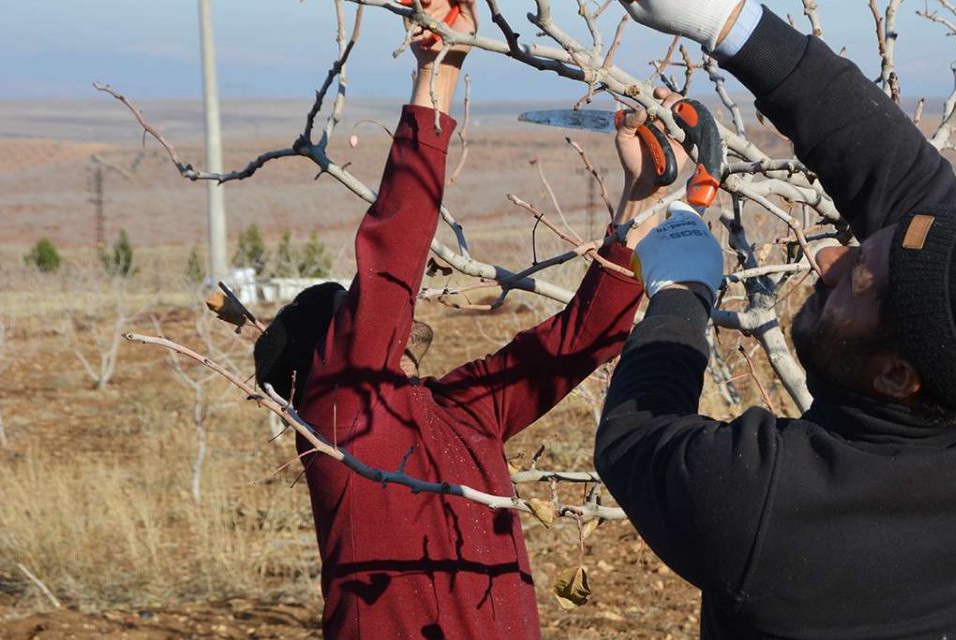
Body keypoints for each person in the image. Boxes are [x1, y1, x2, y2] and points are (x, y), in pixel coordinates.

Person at [596, 2, 956, 638]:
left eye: (858, 279)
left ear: (895, 375)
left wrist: (680, 292)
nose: (827, 259)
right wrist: (731, 24)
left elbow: (635, 434)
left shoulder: (767, 503)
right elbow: (900, 176)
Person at [251, 1, 686, 636]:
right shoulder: (335, 415)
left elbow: (584, 337)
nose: (373, 320)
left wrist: (643, 198)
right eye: (351, 318)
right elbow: (393, 255)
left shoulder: (459, 413)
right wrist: (439, 74)